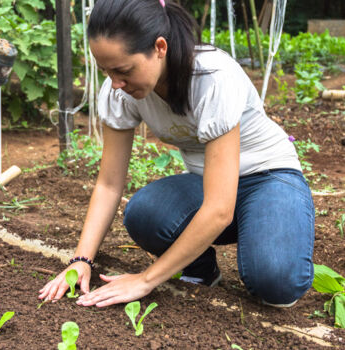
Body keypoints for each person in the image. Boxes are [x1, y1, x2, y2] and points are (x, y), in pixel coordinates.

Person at [39, 0, 315, 308]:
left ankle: (274, 225)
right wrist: (81, 260)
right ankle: (201, 269)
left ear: (159, 47)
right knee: (146, 213)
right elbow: (108, 184)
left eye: (123, 70)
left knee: (275, 280)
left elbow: (220, 209)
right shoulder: (121, 90)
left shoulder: (213, 78)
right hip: (209, 184)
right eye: (106, 71)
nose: (115, 83)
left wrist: (146, 280)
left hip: (269, 177)